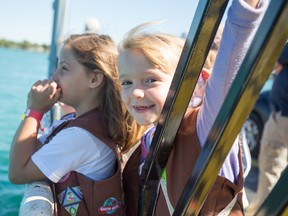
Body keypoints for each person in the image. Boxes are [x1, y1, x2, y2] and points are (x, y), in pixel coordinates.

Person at [117, 0, 268, 215]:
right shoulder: (149, 138)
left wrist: (245, 12)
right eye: (126, 82)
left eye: (150, 80)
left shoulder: (203, 127)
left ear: (196, 84)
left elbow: (227, 74)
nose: (136, 93)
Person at [8, 33, 143, 215]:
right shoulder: (81, 123)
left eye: (63, 68)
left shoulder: (81, 137)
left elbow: (17, 172)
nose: (54, 76)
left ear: (94, 79)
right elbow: (30, 153)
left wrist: (34, 111)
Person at [245, 42, 288, 215]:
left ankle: (263, 211)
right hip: (281, 113)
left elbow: (277, 61)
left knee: (271, 166)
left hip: (283, 114)